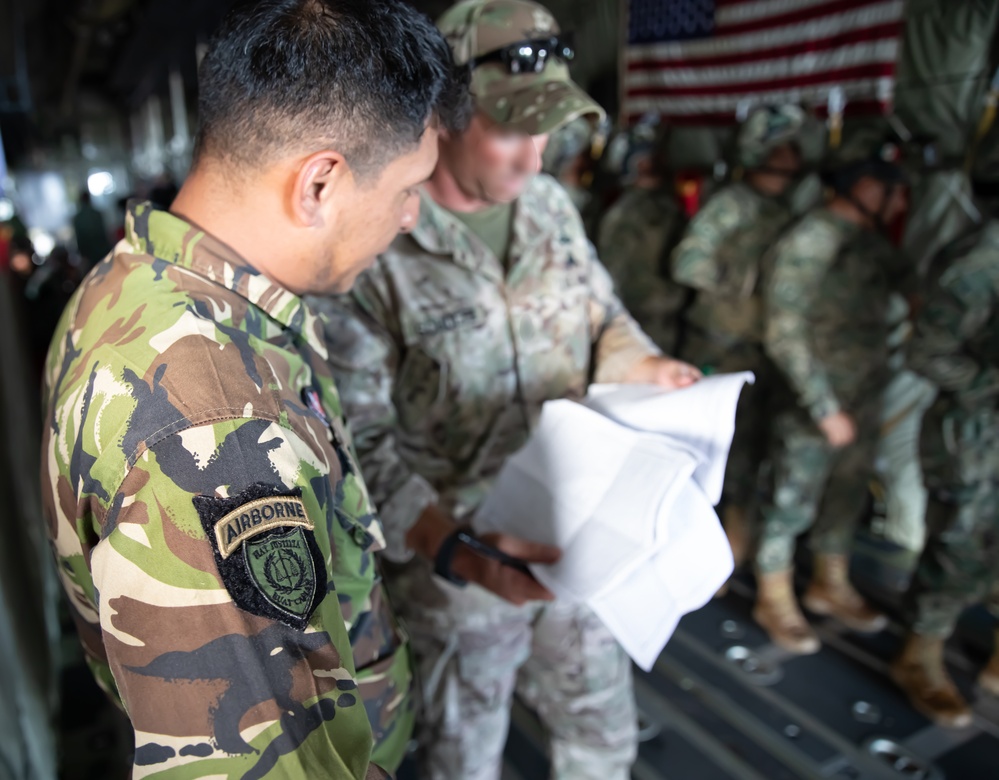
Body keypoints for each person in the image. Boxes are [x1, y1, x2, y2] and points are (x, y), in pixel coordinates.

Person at [39, 1, 468, 777]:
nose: (410, 217)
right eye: (409, 187)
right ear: (319, 184)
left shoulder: (147, 275)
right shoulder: (207, 423)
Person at [312, 2, 701, 778]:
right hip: (458, 565)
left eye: (546, 128)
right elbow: (355, 448)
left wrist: (648, 367)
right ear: (445, 118)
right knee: (466, 759)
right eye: (511, 128)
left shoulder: (550, 207)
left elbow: (602, 317)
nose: (534, 157)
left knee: (600, 739)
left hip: (580, 531)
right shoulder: (378, 248)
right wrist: (450, 546)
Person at [752, 138, 912, 654]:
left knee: (845, 494)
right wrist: (823, 407)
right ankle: (773, 595)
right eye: (895, 192)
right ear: (865, 187)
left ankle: (829, 582)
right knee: (790, 499)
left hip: (861, 394)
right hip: (816, 401)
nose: (902, 205)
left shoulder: (869, 243)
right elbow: (783, 331)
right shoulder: (810, 239)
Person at [671, 105, 805, 568]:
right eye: (781, 149)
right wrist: (739, 280)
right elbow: (686, 262)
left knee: (749, 452)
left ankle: (731, 541)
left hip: (762, 351)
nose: (791, 159)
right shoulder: (731, 203)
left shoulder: (787, 209)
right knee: (709, 450)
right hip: (718, 348)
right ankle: (692, 543)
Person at [891, 216, 999, 727]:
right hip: (978, 432)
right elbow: (928, 352)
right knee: (958, 544)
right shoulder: (984, 257)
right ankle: (920, 655)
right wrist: (987, 380)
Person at [598, 122, 687, 355]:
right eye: (643, 160)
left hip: (666, 316)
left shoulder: (665, 205)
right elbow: (611, 271)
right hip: (640, 317)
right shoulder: (623, 214)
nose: (651, 166)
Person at [71, 189, 112, 270]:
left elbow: (79, 238)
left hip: (89, 254)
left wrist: (82, 254)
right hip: (102, 250)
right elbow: (104, 234)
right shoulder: (97, 214)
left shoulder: (77, 218)